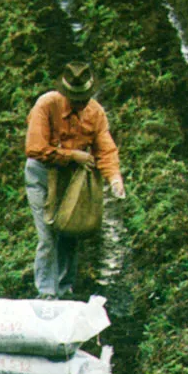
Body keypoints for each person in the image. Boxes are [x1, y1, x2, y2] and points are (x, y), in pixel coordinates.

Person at [25, 61, 125, 299]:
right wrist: (72, 155)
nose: (79, 104)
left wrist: (114, 178)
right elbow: (35, 148)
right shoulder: (46, 105)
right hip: (43, 174)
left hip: (72, 179)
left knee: (70, 231)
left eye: (84, 98)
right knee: (48, 236)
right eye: (74, 98)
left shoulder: (95, 113)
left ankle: (65, 286)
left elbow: (106, 149)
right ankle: (47, 293)